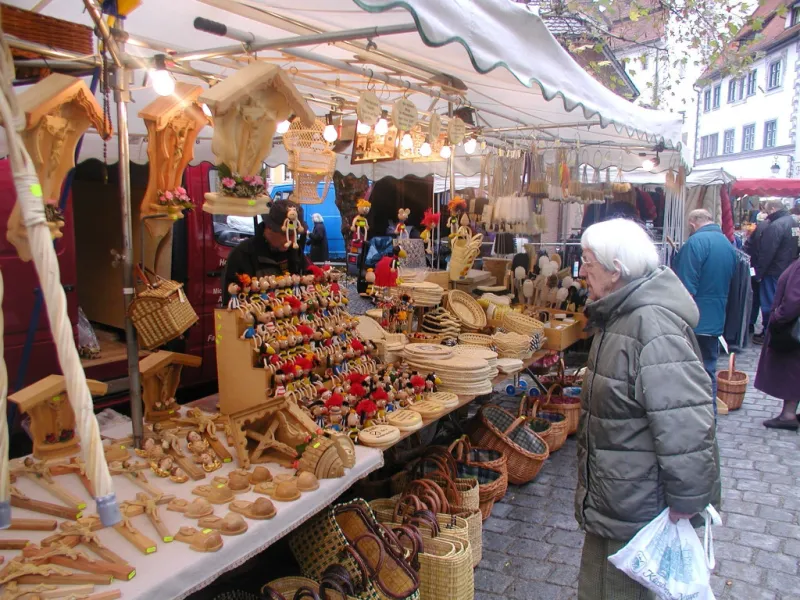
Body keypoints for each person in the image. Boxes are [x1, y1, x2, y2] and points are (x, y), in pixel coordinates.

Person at [575, 219, 720, 600]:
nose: (582, 271)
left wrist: (687, 501)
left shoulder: (651, 323)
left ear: (616, 268)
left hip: (638, 507)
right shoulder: (619, 314)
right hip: (616, 497)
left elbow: (685, 421)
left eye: (588, 261)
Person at [674, 209, 736, 407]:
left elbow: (685, 289)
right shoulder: (727, 244)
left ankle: (694, 419)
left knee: (687, 373)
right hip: (715, 317)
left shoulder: (695, 243)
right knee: (708, 370)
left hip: (694, 319)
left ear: (692, 223)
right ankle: (709, 418)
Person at [222, 200, 311, 304]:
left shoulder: (294, 250)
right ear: (269, 228)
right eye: (285, 234)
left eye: (294, 235)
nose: (290, 240)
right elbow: (232, 303)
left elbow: (309, 275)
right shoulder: (243, 254)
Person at [754, 256, 800, 430]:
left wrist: (777, 317)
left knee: (792, 368)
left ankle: (788, 415)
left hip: (792, 329)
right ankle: (788, 413)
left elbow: (793, 302)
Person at [753, 200, 800, 344]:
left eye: (767, 212)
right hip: (786, 269)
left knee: (770, 303)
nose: (766, 215)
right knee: (777, 301)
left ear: (773, 209)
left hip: (774, 271)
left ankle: (769, 332)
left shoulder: (776, 225)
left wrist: (759, 273)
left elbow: (767, 252)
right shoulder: (793, 223)